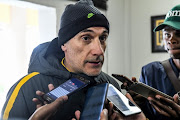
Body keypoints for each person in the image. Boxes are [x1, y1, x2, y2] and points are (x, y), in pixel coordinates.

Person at [1, 0, 124, 119]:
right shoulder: (26, 88)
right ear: (64, 44)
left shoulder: (111, 85)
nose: (99, 51)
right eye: (86, 38)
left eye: (102, 38)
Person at [138, 4, 180, 120]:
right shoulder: (150, 72)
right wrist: (137, 106)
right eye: (167, 34)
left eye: (178, 33)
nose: (171, 40)